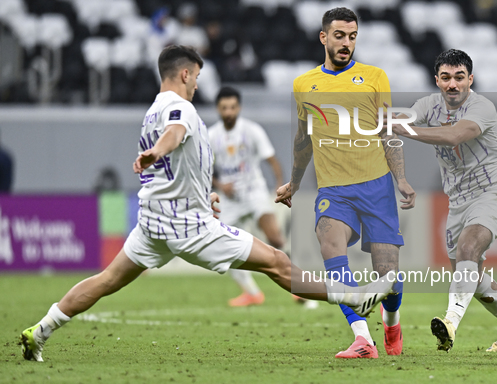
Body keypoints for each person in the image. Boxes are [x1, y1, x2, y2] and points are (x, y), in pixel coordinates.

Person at [19, 45, 395, 363]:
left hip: (152, 223)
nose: (198, 84)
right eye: (196, 77)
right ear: (184, 73)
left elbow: (175, 162)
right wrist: (156, 152)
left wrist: (203, 192)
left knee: (105, 281)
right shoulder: (178, 108)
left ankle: (41, 330)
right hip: (187, 225)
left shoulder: (152, 110)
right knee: (277, 263)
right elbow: (175, 134)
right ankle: (354, 299)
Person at [275, 8, 416, 359]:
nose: (346, 43)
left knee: (389, 280)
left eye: (352, 37)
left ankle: (392, 323)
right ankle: (362, 338)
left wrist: (400, 178)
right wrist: (293, 182)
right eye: (339, 36)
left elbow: (387, 130)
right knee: (330, 246)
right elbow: (303, 139)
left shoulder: (374, 77)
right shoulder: (304, 84)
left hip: (376, 187)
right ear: (324, 37)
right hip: (333, 191)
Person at [383, 49, 497, 352]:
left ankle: (450, 324)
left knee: (468, 248)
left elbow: (453, 136)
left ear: (470, 79)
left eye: (460, 77)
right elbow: (398, 120)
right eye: (446, 78)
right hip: (457, 203)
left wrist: (402, 128)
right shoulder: (428, 105)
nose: (453, 84)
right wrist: (382, 122)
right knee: (471, 274)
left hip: (491, 194)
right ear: (437, 80)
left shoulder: (482, 108)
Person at [209, 86, 285, 307]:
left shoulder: (252, 130)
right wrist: (221, 184)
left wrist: (279, 186)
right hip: (229, 199)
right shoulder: (211, 136)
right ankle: (252, 292)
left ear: (239, 107)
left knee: (275, 237)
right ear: (218, 109)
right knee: (221, 247)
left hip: (254, 192)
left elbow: (271, 160)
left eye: (233, 107)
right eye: (224, 108)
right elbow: (203, 168)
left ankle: (298, 285)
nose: (229, 112)